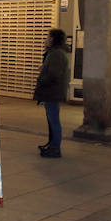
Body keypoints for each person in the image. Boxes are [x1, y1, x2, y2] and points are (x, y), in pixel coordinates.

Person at [33, 29, 70, 158]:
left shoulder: (56, 54)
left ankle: (55, 148)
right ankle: (52, 144)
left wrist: (41, 79)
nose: (46, 39)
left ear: (54, 39)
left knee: (54, 121)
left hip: (52, 92)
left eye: (49, 37)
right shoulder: (55, 53)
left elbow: (53, 74)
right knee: (52, 120)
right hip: (52, 92)